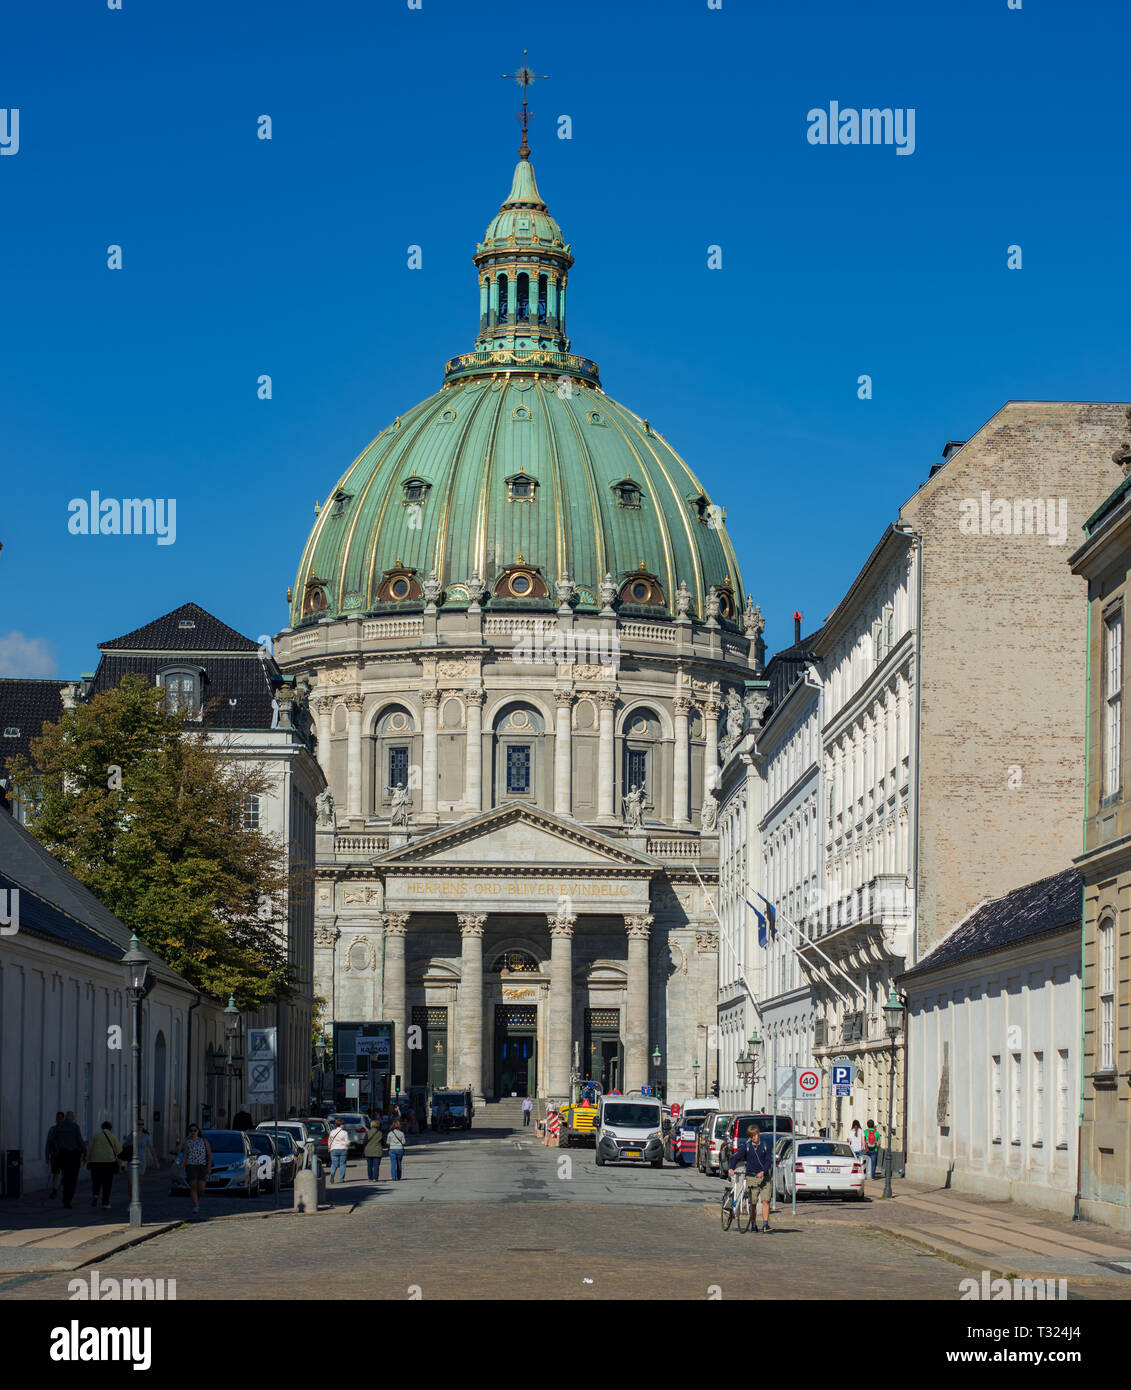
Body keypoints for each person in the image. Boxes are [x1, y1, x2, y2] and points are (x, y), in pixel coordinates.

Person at [732, 1123, 775, 1234]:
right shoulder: (747, 1147)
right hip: (752, 1177)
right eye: (753, 1136)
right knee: (753, 1202)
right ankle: (753, 1223)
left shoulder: (765, 1145)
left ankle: (765, 1224)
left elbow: (768, 1161)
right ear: (750, 1137)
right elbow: (736, 1157)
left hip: (764, 1177)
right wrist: (731, 1168)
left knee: (766, 1200)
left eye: (756, 1135)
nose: (755, 1137)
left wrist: (763, 1171)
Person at [174, 1124, 212, 1216]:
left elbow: (209, 1155)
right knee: (193, 1186)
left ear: (198, 1131)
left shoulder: (204, 1141)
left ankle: (196, 1200)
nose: (193, 1132)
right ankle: (196, 1205)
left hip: (202, 1166)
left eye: (195, 1130)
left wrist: (209, 1166)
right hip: (191, 1166)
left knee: (201, 1188)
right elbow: (184, 1156)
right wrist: (180, 1168)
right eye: (191, 1131)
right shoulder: (187, 1142)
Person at [53, 1112, 86, 1209]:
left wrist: (56, 1149)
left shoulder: (59, 1126)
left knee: (66, 1175)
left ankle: (65, 1195)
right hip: (73, 1156)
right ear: (72, 1118)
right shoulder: (75, 1127)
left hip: (62, 1155)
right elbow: (80, 1141)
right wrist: (85, 1153)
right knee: (73, 1178)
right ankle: (68, 1200)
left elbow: (53, 1139)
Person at [87, 1121, 122, 1210]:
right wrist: (122, 1164)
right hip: (108, 1163)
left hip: (95, 1162)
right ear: (110, 1128)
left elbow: (89, 1149)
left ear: (102, 1127)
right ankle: (105, 1202)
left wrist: (88, 1161)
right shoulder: (113, 1136)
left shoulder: (95, 1136)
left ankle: (95, 1194)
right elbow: (119, 1151)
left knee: (96, 1180)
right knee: (107, 1183)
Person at [45, 1111, 65, 1198]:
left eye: (60, 1118)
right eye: (57, 1118)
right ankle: (54, 1190)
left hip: (65, 1154)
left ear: (63, 1119)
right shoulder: (52, 1129)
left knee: (65, 1173)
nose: (58, 1120)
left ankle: (64, 1189)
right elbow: (48, 1143)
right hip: (55, 1155)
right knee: (55, 1173)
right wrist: (47, 1156)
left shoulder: (66, 1130)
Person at [327, 1117, 350, 1182]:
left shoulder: (332, 1132)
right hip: (343, 1149)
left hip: (334, 1149)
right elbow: (347, 1141)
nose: (344, 1125)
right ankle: (341, 1179)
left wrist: (329, 1147)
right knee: (343, 1164)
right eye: (343, 1124)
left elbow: (330, 1140)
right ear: (341, 1125)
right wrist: (348, 1144)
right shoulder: (344, 1133)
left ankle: (332, 1174)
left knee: (334, 1164)